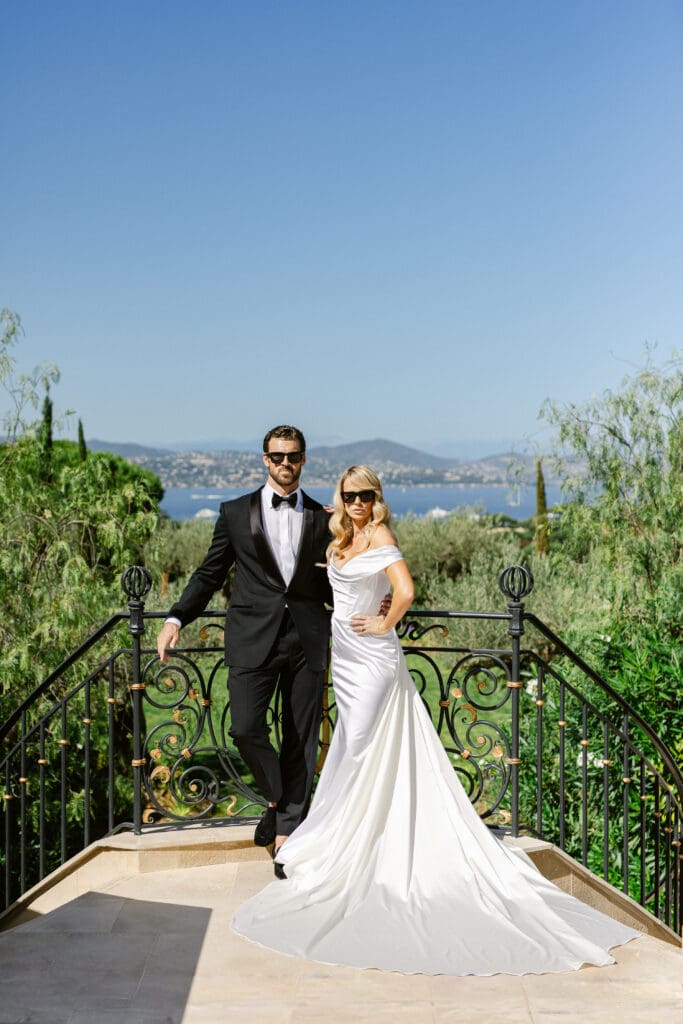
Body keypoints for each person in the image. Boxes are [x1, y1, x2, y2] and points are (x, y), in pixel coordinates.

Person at [231, 465, 639, 976]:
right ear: (340, 496)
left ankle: (359, 843)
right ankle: (344, 835)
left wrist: (384, 621)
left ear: (377, 498)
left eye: (366, 495)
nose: (357, 502)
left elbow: (405, 590)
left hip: (375, 657)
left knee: (358, 744)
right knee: (356, 745)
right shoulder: (342, 529)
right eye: (350, 494)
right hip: (346, 659)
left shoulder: (379, 532)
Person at [156, 425, 333, 861]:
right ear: (264, 460)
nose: (285, 464)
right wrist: (177, 616)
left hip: (307, 640)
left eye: (293, 456)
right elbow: (209, 573)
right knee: (246, 728)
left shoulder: (323, 517)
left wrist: (380, 597)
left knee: (301, 738)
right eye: (277, 457)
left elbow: (337, 577)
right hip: (253, 640)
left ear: (304, 459)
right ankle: (277, 800)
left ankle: (287, 831)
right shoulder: (235, 513)